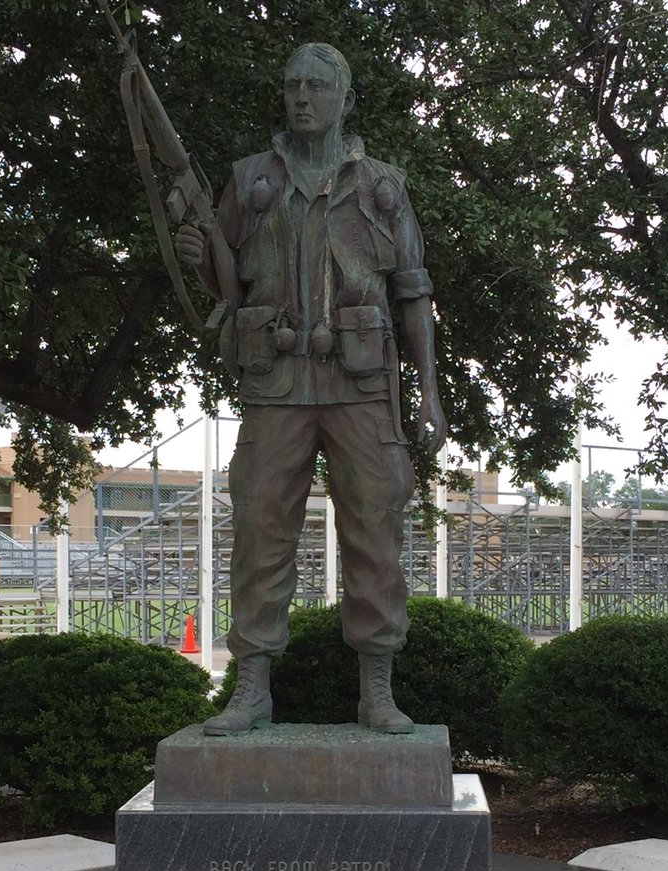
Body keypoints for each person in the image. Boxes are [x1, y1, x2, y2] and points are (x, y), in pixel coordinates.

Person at [177, 42, 446, 736]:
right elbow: (226, 282)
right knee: (260, 532)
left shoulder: (382, 184)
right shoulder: (250, 179)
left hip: (360, 385)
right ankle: (253, 687)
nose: (301, 97)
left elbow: (413, 293)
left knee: (375, 532)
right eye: (292, 85)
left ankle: (377, 689)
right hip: (274, 383)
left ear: (344, 100)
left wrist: (429, 395)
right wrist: (200, 255)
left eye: (316, 87)